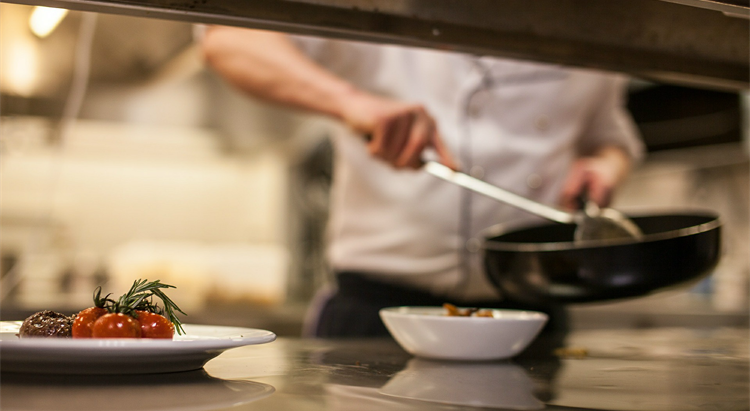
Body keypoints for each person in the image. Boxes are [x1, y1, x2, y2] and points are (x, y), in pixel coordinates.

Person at [199, 26, 644, 337]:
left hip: (532, 316)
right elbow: (229, 39)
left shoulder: (590, 19)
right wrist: (351, 102)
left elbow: (609, 136)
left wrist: (604, 166)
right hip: (378, 313)